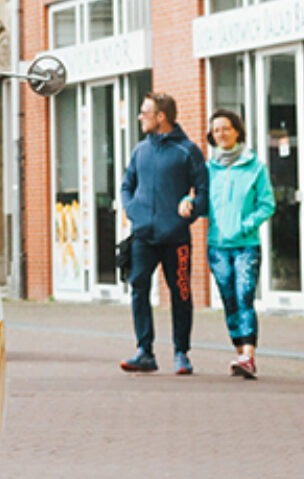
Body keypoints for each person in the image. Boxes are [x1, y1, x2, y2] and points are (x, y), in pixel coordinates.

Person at [118, 92, 210, 376]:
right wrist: (134, 210)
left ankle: (181, 353)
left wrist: (192, 207)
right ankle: (144, 351)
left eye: (144, 112)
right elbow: (126, 186)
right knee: (139, 290)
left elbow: (204, 193)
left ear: (161, 117)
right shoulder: (139, 150)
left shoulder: (187, 151)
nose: (139, 117)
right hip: (143, 237)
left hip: (176, 238)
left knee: (181, 293)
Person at [205, 109, 275, 379]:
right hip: (217, 246)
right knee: (229, 299)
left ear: (237, 131)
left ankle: (248, 354)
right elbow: (201, 202)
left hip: (246, 245)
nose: (220, 134)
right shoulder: (208, 169)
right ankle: (240, 352)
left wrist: (246, 224)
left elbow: (267, 204)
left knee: (245, 295)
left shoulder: (255, 167)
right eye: (216, 130)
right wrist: (187, 203)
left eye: (225, 128)